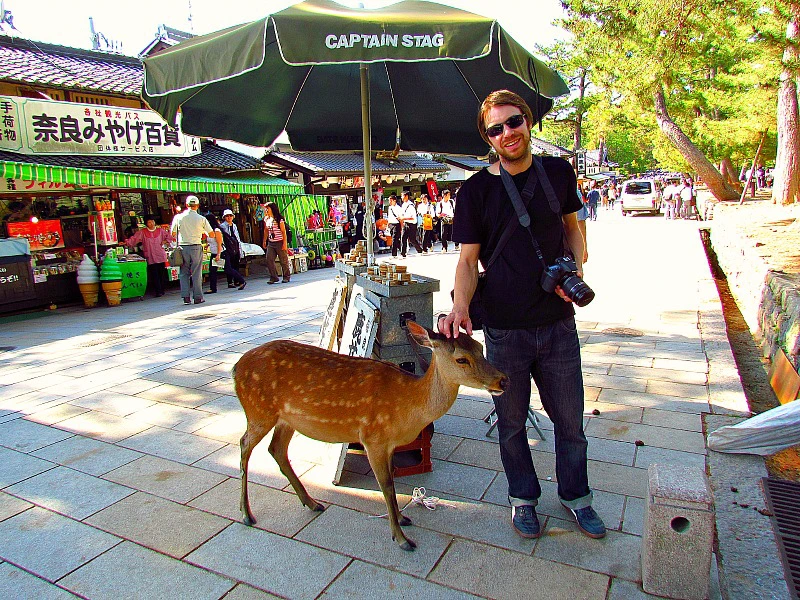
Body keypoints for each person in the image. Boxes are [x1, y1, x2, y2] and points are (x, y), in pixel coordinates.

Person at [440, 90, 604, 541]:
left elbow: (573, 229)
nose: (507, 133)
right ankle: (523, 499)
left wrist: (576, 272)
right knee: (511, 423)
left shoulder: (557, 172)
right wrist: (459, 307)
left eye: (513, 122)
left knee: (570, 422)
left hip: (556, 324)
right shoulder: (474, 191)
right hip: (506, 331)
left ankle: (577, 497)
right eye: (496, 129)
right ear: (487, 138)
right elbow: (467, 261)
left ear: (527, 121)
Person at [170, 195, 213, 305]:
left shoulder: (178, 218)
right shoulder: (201, 218)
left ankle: (185, 297)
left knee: (184, 272)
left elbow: (173, 233)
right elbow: (211, 233)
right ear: (197, 205)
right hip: (196, 246)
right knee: (196, 272)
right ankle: (198, 297)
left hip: (183, 247)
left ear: (186, 205)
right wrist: (201, 233)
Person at [125, 216, 173, 297]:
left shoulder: (160, 230)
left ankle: (162, 289)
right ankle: (158, 291)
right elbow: (134, 239)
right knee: (154, 274)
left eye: (152, 221)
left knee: (161, 273)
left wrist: (165, 241)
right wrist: (126, 242)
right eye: (149, 222)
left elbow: (170, 237)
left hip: (160, 255)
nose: (151, 224)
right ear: (146, 223)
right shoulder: (142, 232)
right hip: (150, 255)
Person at [263, 202, 291, 284]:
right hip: (271, 243)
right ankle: (273, 277)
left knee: (283, 260)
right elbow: (266, 230)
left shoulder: (279, 219)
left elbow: (283, 232)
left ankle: (286, 276)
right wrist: (264, 240)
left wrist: (284, 244)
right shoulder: (266, 219)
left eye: (268, 208)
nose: (266, 210)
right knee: (269, 259)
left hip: (279, 242)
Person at [219, 209, 247, 290]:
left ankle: (236, 280)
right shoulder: (222, 226)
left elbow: (237, 237)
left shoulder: (234, 226)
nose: (229, 217)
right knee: (229, 265)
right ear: (224, 217)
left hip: (235, 246)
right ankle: (230, 282)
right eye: (227, 216)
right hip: (228, 247)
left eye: (230, 216)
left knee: (236, 264)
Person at [204, 213, 225, 294]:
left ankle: (241, 280)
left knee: (227, 269)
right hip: (213, 252)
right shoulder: (210, 231)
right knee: (212, 271)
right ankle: (213, 288)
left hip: (220, 252)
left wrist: (218, 254)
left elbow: (219, 243)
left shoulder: (216, 230)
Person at [400, 191, 422, 257]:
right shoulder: (403, 205)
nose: (401, 197)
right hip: (406, 223)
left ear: (406, 196)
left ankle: (419, 250)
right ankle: (403, 253)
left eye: (402, 196)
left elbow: (413, 218)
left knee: (412, 239)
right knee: (403, 238)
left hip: (412, 224)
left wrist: (404, 218)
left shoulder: (411, 206)